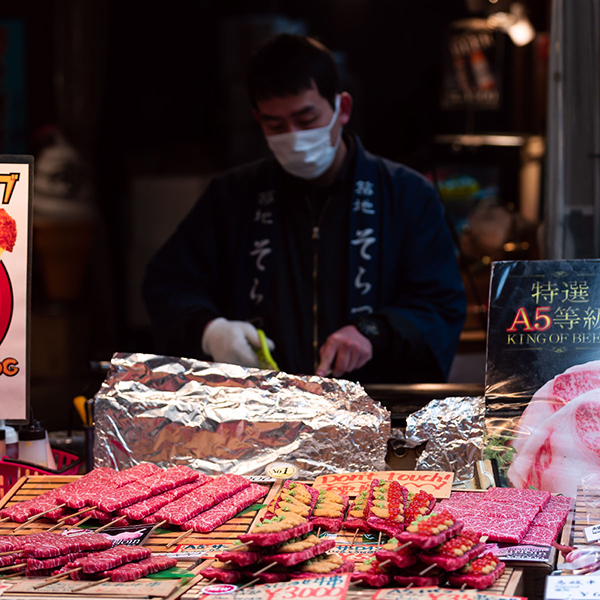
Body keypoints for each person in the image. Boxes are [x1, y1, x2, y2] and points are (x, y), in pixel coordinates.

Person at [142, 34, 466, 384]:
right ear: (257, 119)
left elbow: (439, 305)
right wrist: (211, 330)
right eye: (275, 125)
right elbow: (168, 284)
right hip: (260, 415)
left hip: (375, 409)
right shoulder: (232, 196)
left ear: (342, 108)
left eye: (306, 119)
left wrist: (372, 332)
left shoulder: (407, 193)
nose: (293, 136)